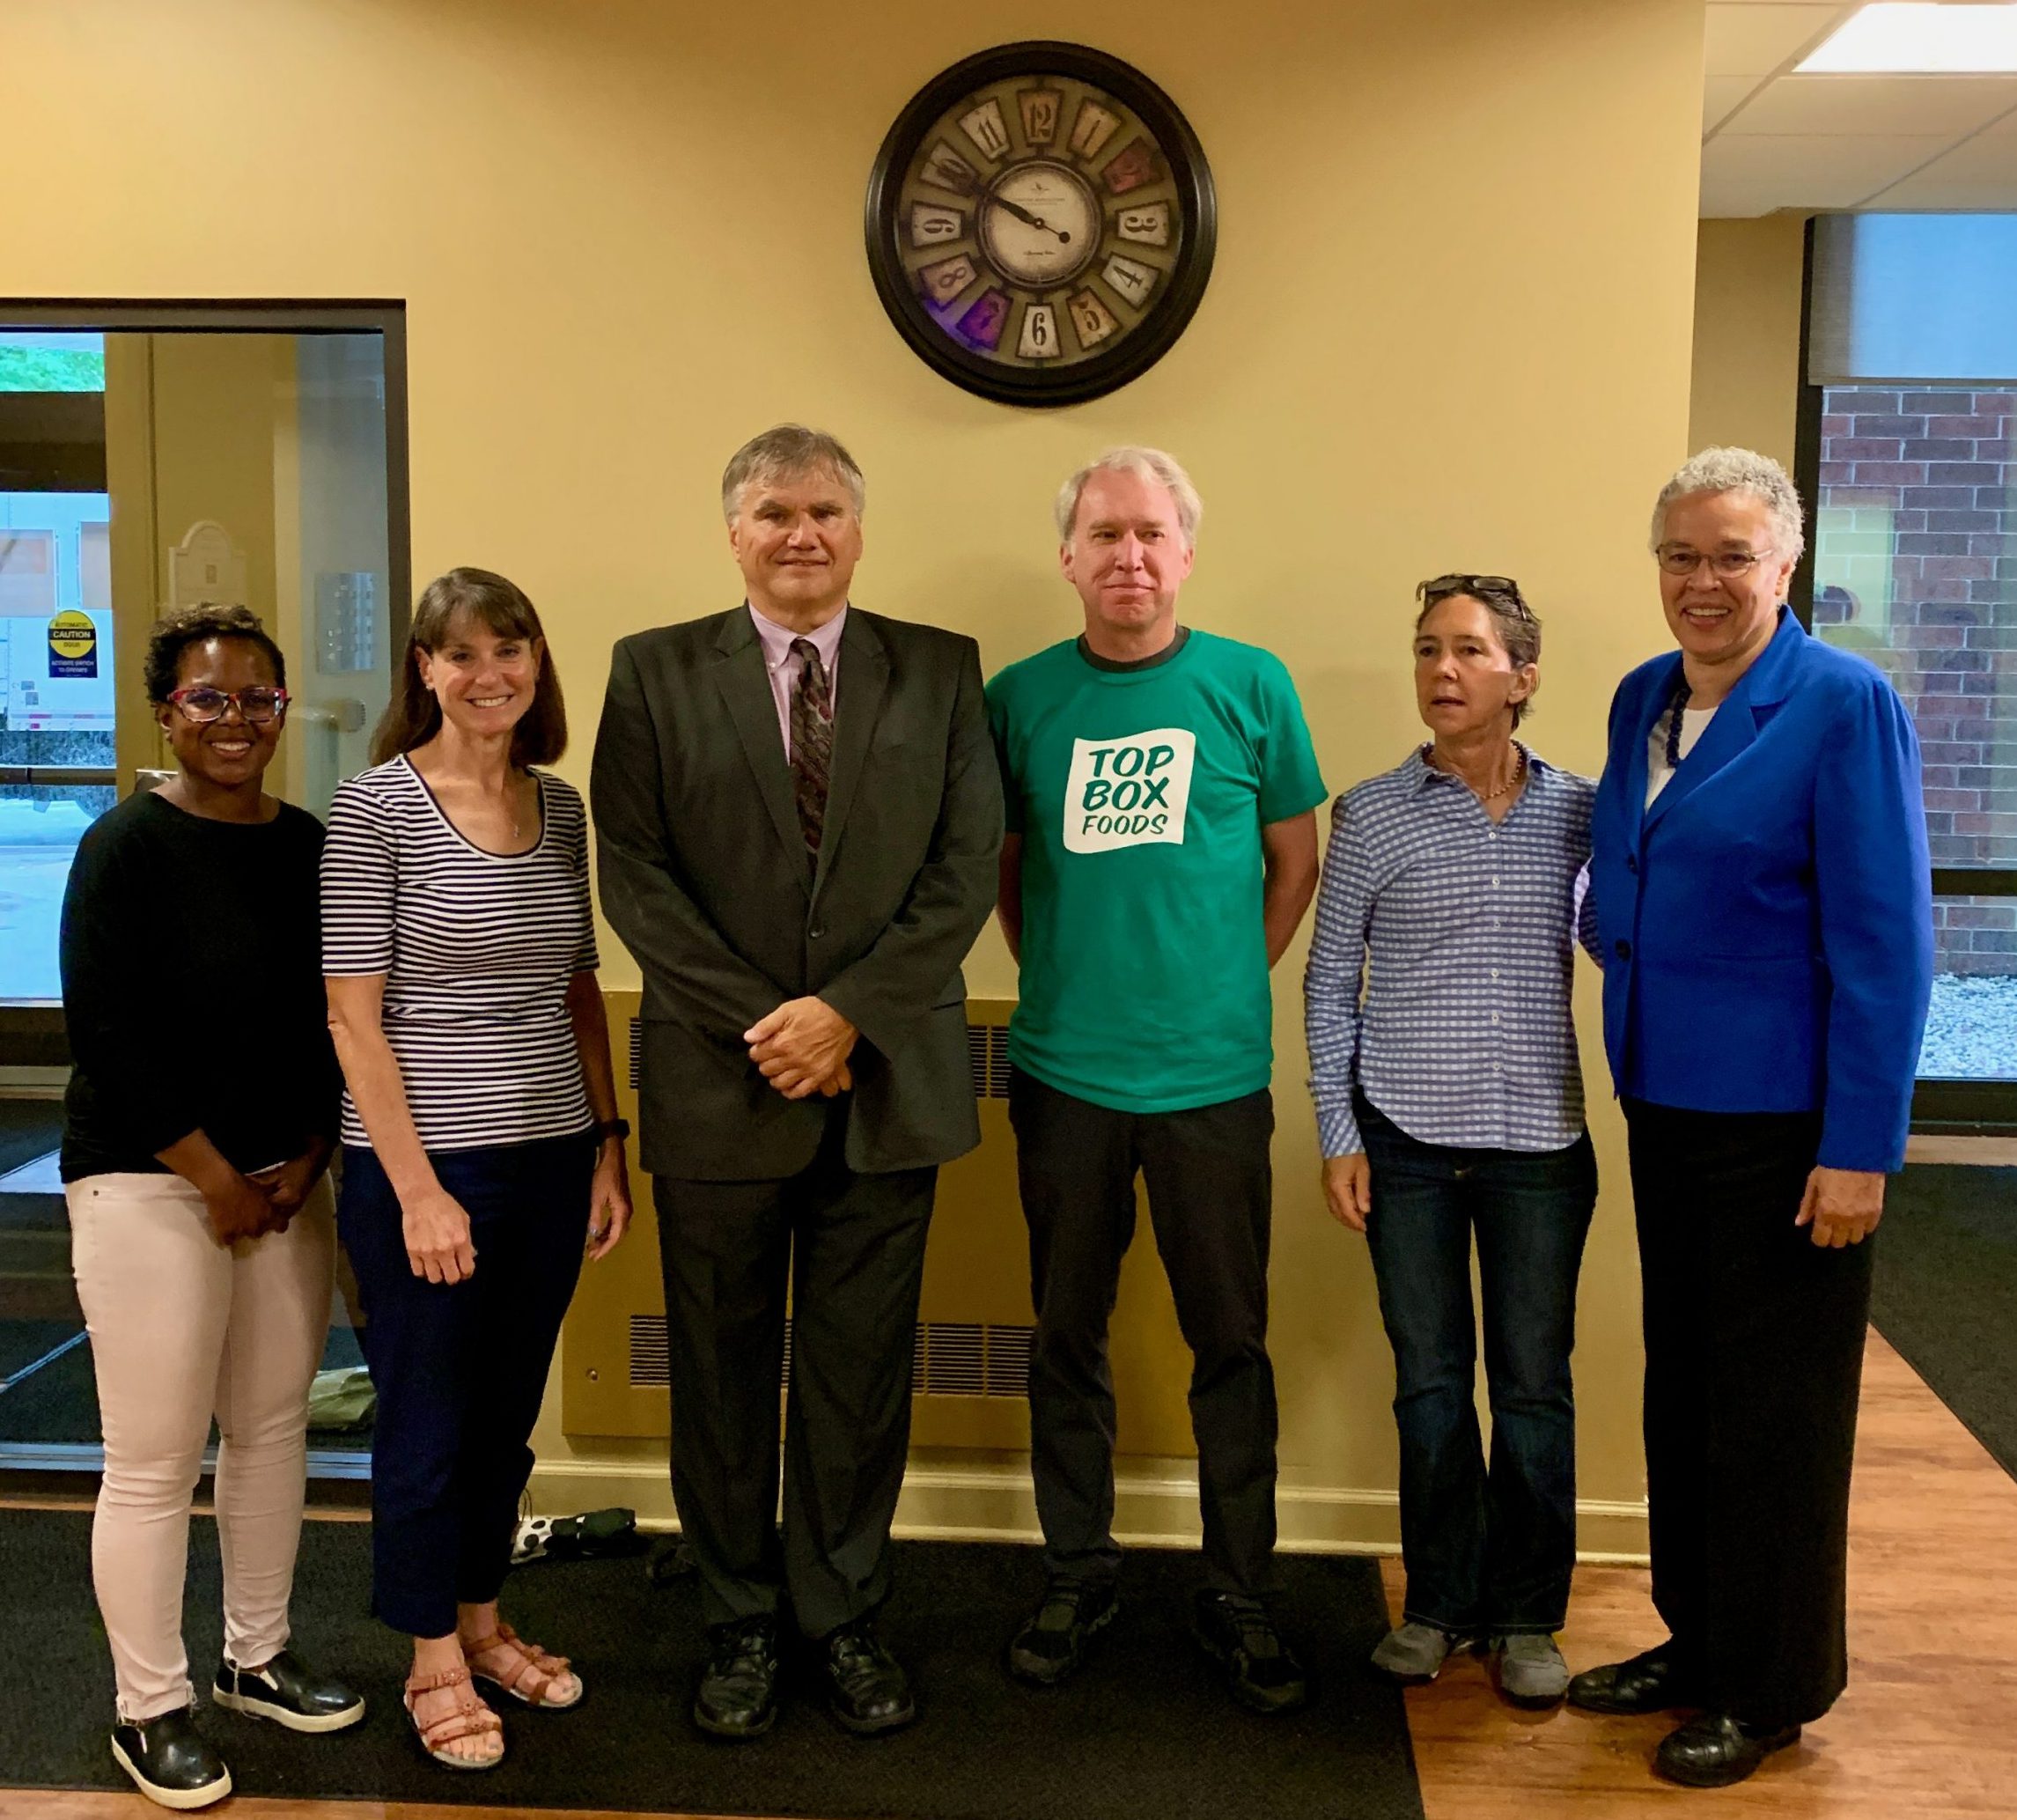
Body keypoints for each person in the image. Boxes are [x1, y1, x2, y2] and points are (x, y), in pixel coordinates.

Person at [591, 424, 1001, 1741]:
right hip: (722, 1085)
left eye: (824, 509)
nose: (801, 533)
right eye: (773, 511)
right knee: (715, 1377)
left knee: (857, 1372)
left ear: (859, 530)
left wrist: (848, 1017)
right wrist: (771, 1023)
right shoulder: (652, 672)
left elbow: (961, 864)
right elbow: (634, 878)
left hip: (885, 1089)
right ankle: (735, 1622)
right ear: (733, 531)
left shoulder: (938, 670)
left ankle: (839, 1614)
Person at [1572, 448, 1932, 1787]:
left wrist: (1859, 1146)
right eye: (1679, 555)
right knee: (1686, 1389)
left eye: (1730, 555)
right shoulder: (1639, 697)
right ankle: (1695, 1633)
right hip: (1664, 1097)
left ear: (1784, 565)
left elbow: (1886, 943)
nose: (1701, 581)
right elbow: (1628, 863)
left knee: (1776, 1412)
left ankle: (1771, 1681)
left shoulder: (1841, 705)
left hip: (1789, 1126)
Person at [987, 446, 1326, 1713]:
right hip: (1063, 1075)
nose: (1128, 554)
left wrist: (1223, 981)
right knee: (1063, 1337)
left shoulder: (1250, 683)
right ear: (1067, 557)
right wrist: (1073, 980)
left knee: (1228, 1342)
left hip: (1213, 1081)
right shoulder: (1017, 698)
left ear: (1184, 553)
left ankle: (1239, 1588)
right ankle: (1077, 1568)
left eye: (1150, 533)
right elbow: (1006, 873)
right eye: (1103, 534)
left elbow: (1293, 858)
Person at [323, 567, 631, 1771]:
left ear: (536, 664)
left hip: (552, 1154)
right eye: (461, 654)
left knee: (505, 1419)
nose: (489, 672)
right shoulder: (375, 808)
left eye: (510, 649)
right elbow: (352, 1017)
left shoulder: (560, 808)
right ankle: (429, 1653)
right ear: (424, 669)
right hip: (427, 1163)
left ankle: (485, 1617)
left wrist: (606, 1146)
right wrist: (415, 1188)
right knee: (429, 1420)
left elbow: (576, 988)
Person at [59, 603, 364, 1809]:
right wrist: (212, 1175)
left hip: (283, 1182)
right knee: (151, 1459)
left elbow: (339, 1017)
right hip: (148, 1182)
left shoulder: (311, 842)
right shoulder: (124, 847)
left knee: (272, 1426)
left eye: (256, 699)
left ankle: (257, 1654)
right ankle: (152, 1705)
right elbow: (110, 1037)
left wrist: (305, 1155)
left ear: (283, 712)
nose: (235, 719)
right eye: (208, 698)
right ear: (164, 712)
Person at [1303, 575, 1600, 1708]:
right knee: (1428, 1385)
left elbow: (1625, 939)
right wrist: (1340, 1133)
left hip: (1538, 1147)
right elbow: (1331, 987)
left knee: (1532, 1388)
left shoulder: (1580, 809)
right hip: (1407, 1143)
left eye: (1469, 651)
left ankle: (1526, 1616)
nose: (1441, 670)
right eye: (1427, 649)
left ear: (1520, 678)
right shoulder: (1370, 814)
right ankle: (1435, 1604)